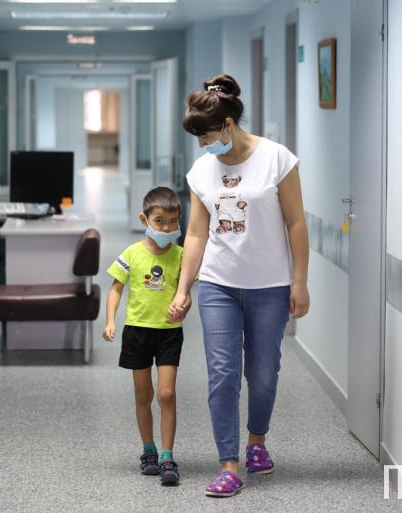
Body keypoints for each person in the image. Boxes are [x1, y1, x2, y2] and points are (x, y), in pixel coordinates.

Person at [168, 74, 311, 497]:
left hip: (270, 286)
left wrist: (300, 282)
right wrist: (183, 288)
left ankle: (257, 442)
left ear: (228, 125)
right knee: (222, 374)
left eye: (206, 136)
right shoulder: (202, 170)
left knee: (263, 374)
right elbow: (196, 233)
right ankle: (228, 463)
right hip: (219, 285)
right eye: (198, 139)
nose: (203, 146)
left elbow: (296, 222)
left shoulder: (276, 159)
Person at [103, 186, 192, 487]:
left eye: (173, 221)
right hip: (137, 331)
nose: (167, 228)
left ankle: (167, 455)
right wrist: (110, 321)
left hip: (169, 333)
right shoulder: (132, 253)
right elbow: (116, 288)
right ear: (145, 219)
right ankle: (149, 450)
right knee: (144, 394)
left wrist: (184, 306)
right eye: (159, 221)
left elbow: (187, 293)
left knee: (166, 394)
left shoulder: (182, 256)